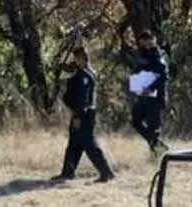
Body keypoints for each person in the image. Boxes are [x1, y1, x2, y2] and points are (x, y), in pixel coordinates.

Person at [51, 46, 115, 184]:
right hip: (79, 112)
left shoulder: (84, 76)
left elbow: (82, 98)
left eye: (77, 58)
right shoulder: (79, 73)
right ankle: (67, 172)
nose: (75, 60)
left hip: (84, 114)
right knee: (74, 144)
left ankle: (106, 172)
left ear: (82, 58)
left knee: (90, 145)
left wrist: (78, 116)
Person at [130, 30, 170, 155]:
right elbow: (138, 70)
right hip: (143, 95)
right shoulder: (143, 54)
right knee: (136, 120)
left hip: (155, 97)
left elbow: (163, 76)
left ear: (152, 40)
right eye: (142, 43)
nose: (144, 45)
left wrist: (151, 88)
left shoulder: (159, 55)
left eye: (147, 42)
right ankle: (156, 143)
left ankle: (157, 153)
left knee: (154, 127)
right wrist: (136, 83)